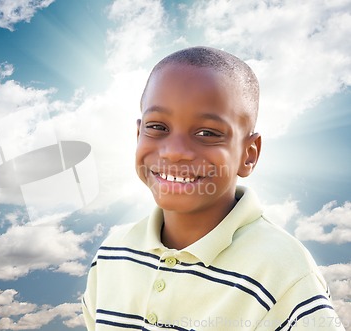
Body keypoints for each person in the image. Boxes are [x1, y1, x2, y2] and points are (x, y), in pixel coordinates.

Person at [82, 47, 345, 331]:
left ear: (249, 154)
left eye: (207, 133)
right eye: (157, 127)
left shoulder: (284, 272)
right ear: (138, 134)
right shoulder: (111, 254)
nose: (174, 153)